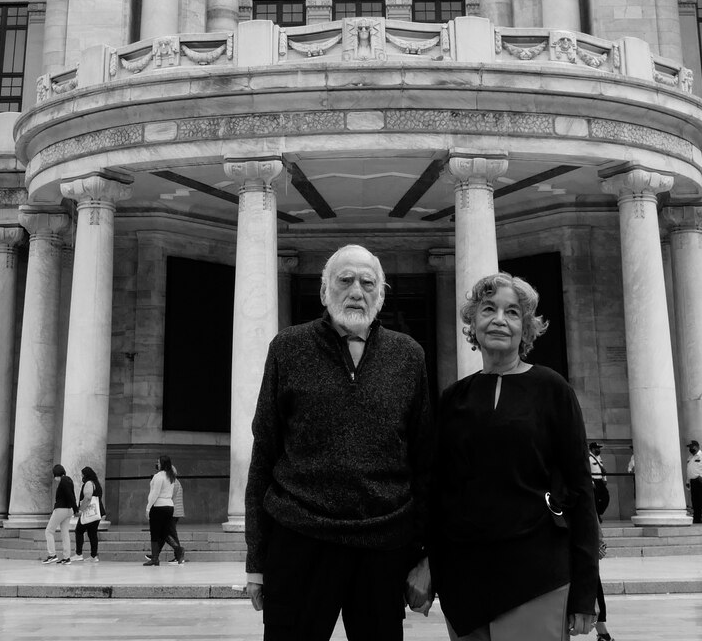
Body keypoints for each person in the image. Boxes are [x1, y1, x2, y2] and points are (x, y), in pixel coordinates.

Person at [244, 243, 433, 641]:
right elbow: (264, 454)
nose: (356, 291)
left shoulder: (409, 355)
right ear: (324, 291)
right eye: (345, 280)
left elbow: (424, 460)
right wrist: (256, 560)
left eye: (368, 282)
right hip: (299, 537)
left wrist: (422, 556)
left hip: (383, 544)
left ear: (381, 293)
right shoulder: (287, 348)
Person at [429, 271, 599, 640]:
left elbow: (580, 490)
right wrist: (428, 563)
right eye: (488, 309)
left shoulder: (552, 388)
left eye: (512, 312)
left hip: (536, 574)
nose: (499, 320)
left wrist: (586, 589)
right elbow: (439, 492)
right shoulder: (453, 398)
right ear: (473, 323)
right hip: (465, 577)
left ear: (527, 328)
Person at [143, 455, 179, 566]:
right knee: (164, 532)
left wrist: (148, 507)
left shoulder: (158, 476)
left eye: (158, 462)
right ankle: (178, 549)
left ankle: (155, 559)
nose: (157, 464)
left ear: (162, 464)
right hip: (169, 506)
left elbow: (155, 493)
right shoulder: (171, 476)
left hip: (158, 507)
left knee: (155, 533)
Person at [42, 464, 78, 564]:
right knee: (65, 532)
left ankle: (52, 555)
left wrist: (76, 509)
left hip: (61, 509)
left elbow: (69, 495)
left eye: (54, 475)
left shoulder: (63, 481)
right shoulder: (69, 480)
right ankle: (67, 557)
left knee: (49, 531)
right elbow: (72, 495)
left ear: (57, 474)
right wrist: (74, 508)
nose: (54, 478)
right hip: (68, 510)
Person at [71, 466, 104, 562]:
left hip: (88, 513)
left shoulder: (89, 483)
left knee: (79, 531)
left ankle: (78, 553)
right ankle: (94, 556)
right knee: (92, 534)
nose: (81, 476)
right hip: (96, 513)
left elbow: (88, 498)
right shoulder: (97, 484)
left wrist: (80, 510)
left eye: (82, 474)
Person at [589, 442, 610, 520]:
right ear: (592, 449)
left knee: (606, 497)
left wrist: (604, 479)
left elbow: (602, 469)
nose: (598, 450)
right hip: (594, 481)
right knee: (596, 499)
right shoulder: (588, 458)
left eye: (599, 448)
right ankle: (597, 516)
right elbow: (588, 471)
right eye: (597, 448)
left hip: (600, 480)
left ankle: (598, 512)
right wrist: (592, 482)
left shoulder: (599, 457)